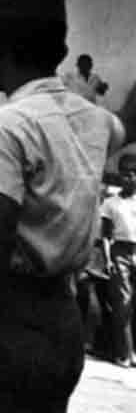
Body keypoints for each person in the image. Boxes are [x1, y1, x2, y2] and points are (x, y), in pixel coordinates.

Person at [0, 0, 126, 412]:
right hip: (64, 321)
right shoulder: (96, 122)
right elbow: (128, 123)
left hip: (7, 321)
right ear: (60, 49)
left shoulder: (6, 125)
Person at [102, 153, 136, 367]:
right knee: (122, 304)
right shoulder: (110, 203)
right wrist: (108, 259)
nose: (129, 179)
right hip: (120, 253)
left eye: (133, 175)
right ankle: (125, 353)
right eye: (125, 175)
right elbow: (106, 234)